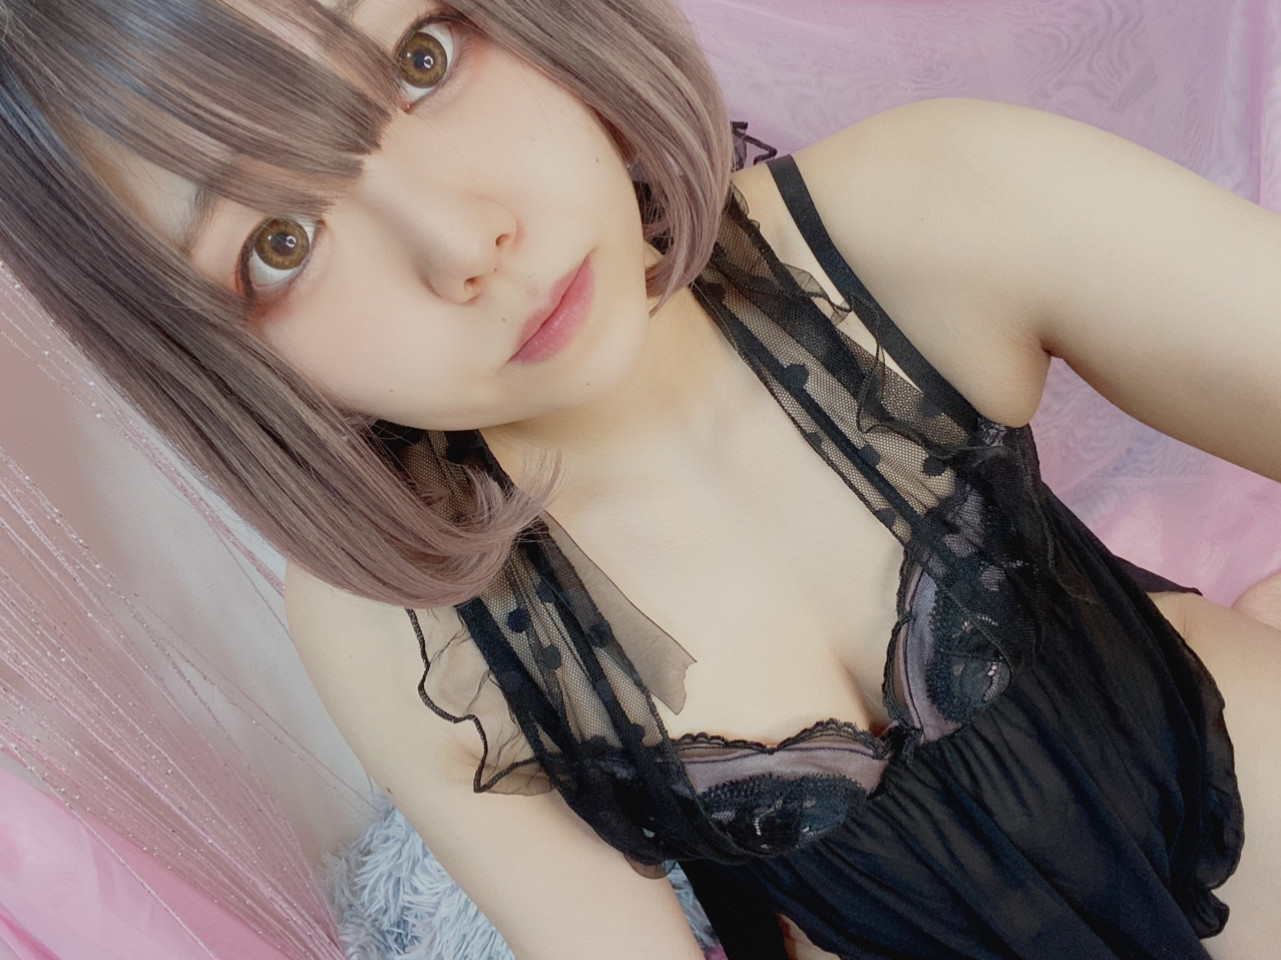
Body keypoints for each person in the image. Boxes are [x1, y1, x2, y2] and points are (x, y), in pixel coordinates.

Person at [2, 1, 1279, 958]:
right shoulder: (399, 632)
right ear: (207, 347)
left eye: (421, 60)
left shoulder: (929, 212)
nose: (464, 243)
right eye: (280, 242)